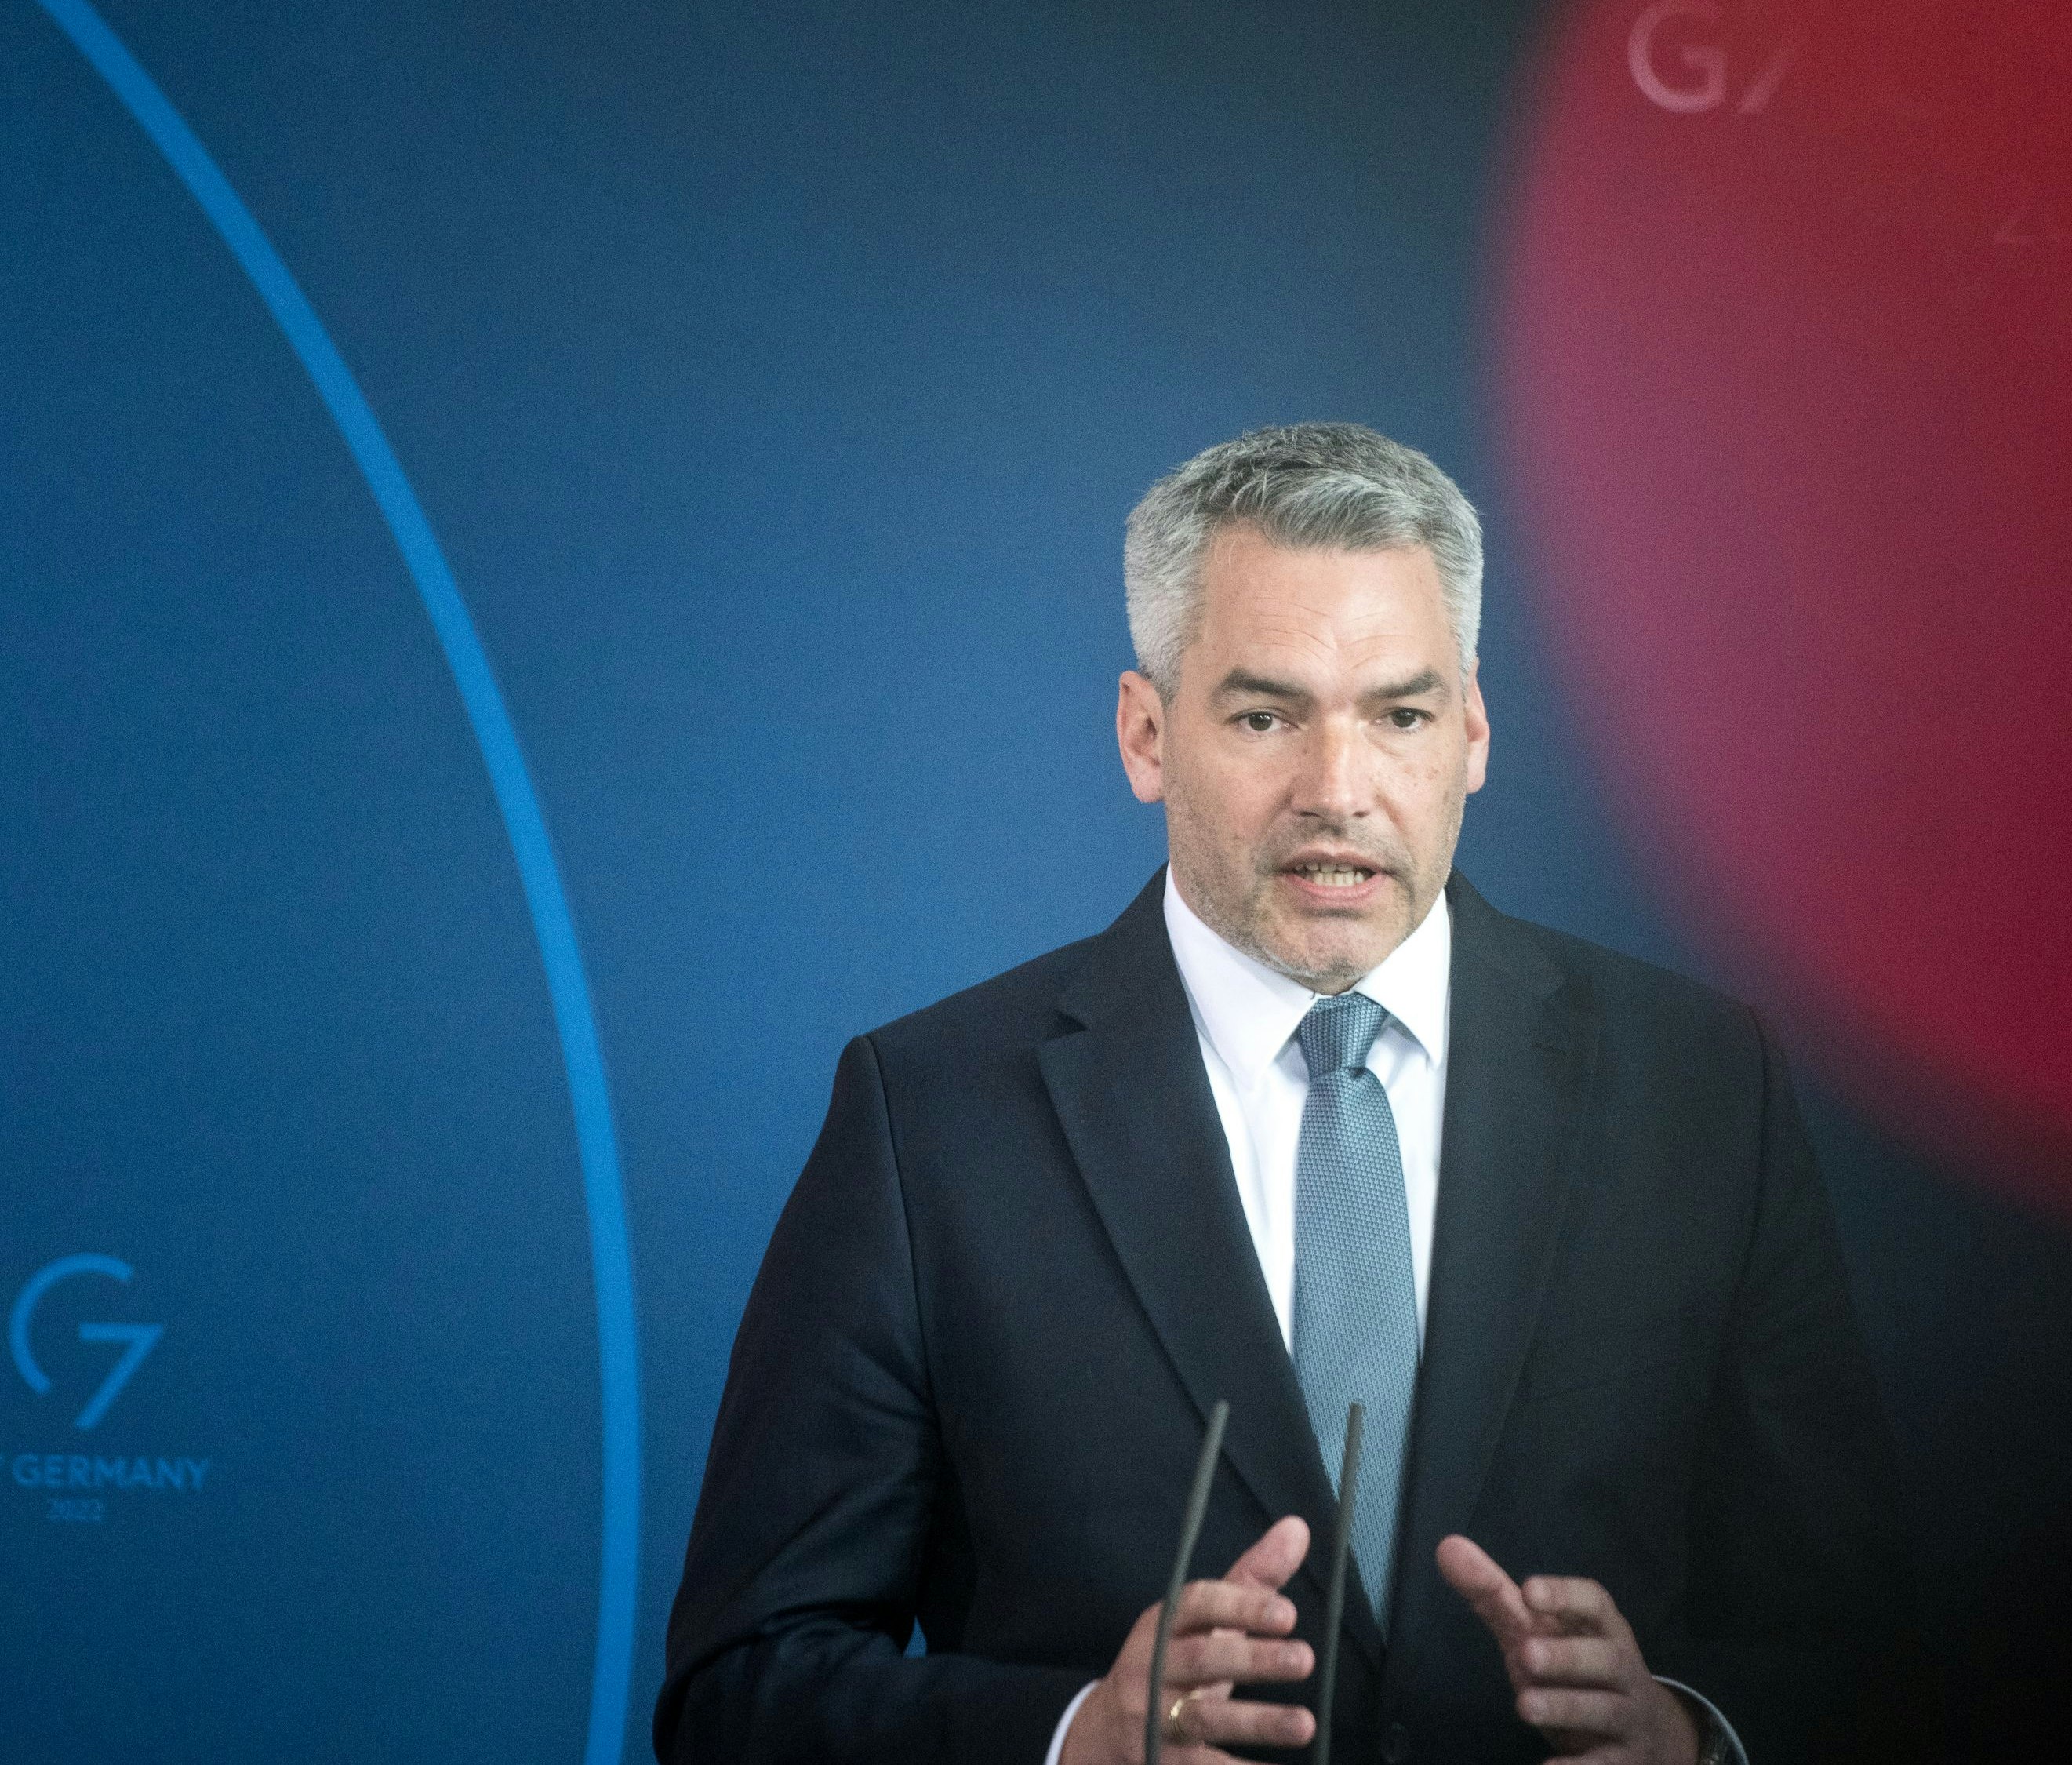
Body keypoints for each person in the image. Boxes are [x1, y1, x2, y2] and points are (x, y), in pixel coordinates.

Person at [656, 424, 1908, 1764]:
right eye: (1265, 717)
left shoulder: (1702, 1087)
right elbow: (741, 1688)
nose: (1338, 792)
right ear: (1146, 735)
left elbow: (1867, 1646)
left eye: (1401, 716)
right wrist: (1072, 1738)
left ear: (1473, 733)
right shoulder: (929, 1121)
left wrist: (1696, 1735)